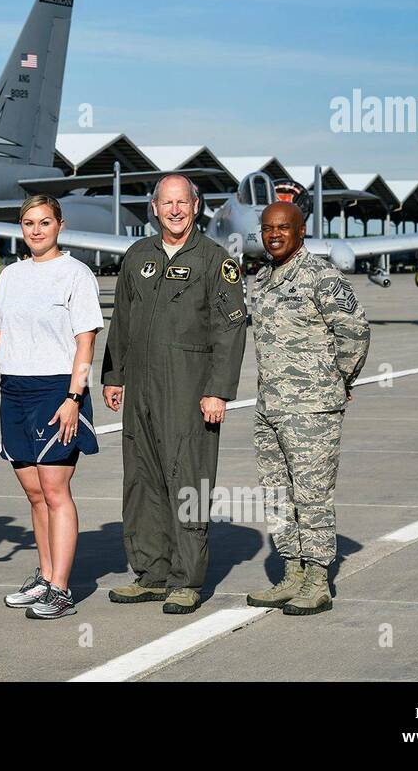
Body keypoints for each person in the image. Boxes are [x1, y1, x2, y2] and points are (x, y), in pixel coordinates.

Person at [0, 195, 104, 620]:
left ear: (59, 225)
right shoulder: (11, 275)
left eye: (44, 222)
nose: (36, 230)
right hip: (14, 389)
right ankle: (46, 576)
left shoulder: (76, 274)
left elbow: (86, 341)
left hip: (56, 391)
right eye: (28, 223)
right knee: (34, 494)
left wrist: (73, 398)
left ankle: (61, 589)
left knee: (55, 491)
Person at [101, 174, 248, 614]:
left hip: (189, 390)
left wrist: (218, 391)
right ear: (154, 207)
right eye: (167, 203)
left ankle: (186, 579)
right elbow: (122, 321)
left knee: (188, 479)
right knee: (142, 479)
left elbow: (230, 328)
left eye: (182, 202)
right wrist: (114, 375)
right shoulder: (137, 256)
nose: (175, 210)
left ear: (196, 205)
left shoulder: (215, 260)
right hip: (141, 389)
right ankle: (151, 573)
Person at [246, 201, 370, 615]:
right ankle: (292, 572)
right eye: (267, 228)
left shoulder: (321, 276)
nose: (274, 234)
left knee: (312, 495)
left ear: (302, 232)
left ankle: (318, 580)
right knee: (278, 493)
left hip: (312, 409)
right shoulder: (261, 279)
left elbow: (354, 331)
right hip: (269, 405)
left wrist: (338, 380)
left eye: (283, 227)